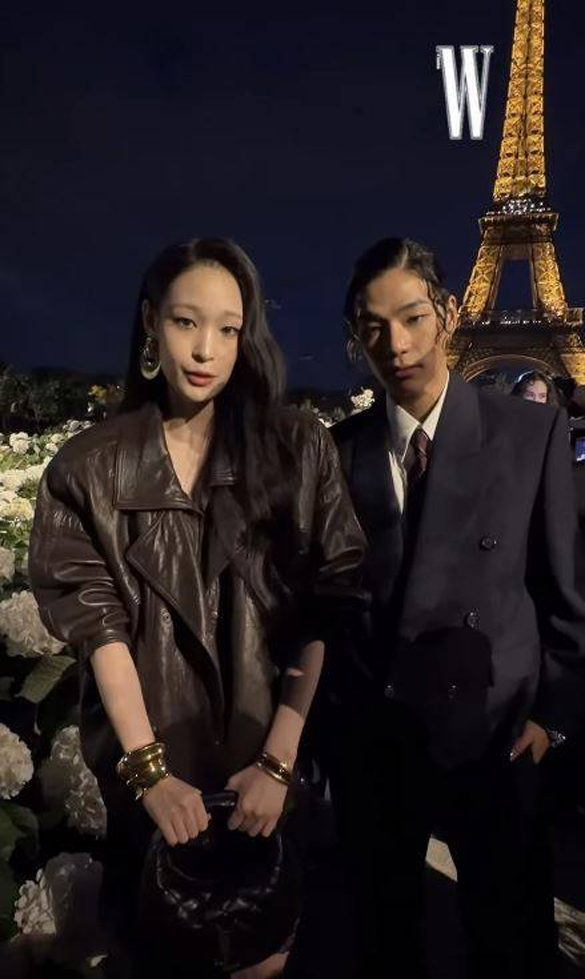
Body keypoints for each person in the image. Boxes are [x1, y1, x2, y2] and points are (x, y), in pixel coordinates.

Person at [28, 237, 365, 979]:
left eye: (228, 328)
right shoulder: (88, 468)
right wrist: (150, 773)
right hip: (149, 777)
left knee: (264, 954)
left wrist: (277, 760)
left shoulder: (298, 450)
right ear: (151, 322)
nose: (206, 349)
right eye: (186, 322)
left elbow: (326, 608)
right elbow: (102, 630)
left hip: (267, 767)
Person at [322, 237, 585, 979]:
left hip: (494, 736)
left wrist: (550, 718)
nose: (396, 345)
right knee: (384, 943)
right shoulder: (336, 451)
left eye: (412, 317)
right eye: (373, 327)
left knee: (509, 941)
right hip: (378, 743)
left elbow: (561, 590)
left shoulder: (528, 433)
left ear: (448, 312)